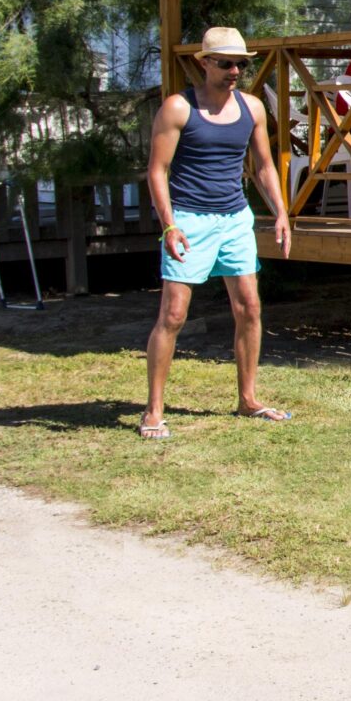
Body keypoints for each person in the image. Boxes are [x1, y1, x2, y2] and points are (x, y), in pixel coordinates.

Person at [141, 27, 294, 439]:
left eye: (241, 64)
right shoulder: (178, 108)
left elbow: (263, 166)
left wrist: (280, 211)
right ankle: (154, 410)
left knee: (250, 307)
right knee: (173, 315)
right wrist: (169, 225)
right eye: (225, 63)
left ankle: (248, 400)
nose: (234, 71)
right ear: (203, 62)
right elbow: (157, 170)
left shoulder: (253, 108)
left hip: (235, 218)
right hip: (189, 219)